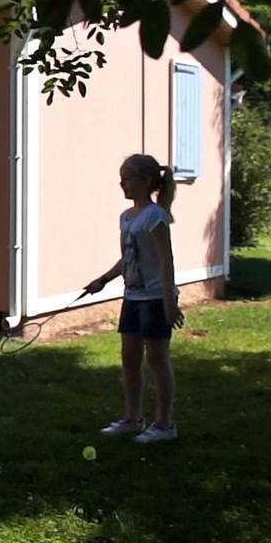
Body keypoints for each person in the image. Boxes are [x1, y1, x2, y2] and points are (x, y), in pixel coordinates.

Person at [84, 153, 184, 444]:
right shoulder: (126, 218)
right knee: (129, 359)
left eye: (126, 178)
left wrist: (169, 301)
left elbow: (167, 262)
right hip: (133, 297)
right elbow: (128, 258)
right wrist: (103, 280)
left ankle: (164, 425)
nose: (121, 183)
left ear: (146, 181)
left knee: (156, 359)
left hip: (155, 299)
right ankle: (133, 418)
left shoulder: (155, 217)